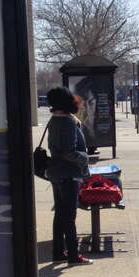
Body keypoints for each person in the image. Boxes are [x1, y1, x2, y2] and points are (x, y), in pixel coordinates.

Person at [46, 87, 92, 265]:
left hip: (56, 173)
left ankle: (59, 252)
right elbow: (68, 151)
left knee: (60, 215)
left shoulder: (54, 119)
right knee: (69, 217)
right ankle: (73, 255)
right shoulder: (67, 122)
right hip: (68, 174)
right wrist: (84, 159)